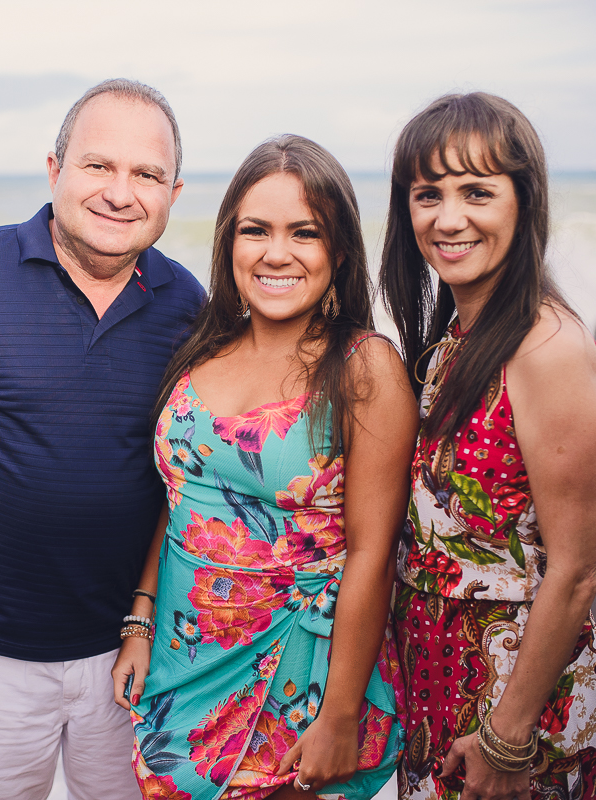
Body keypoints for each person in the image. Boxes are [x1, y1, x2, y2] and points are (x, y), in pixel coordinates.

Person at [0, 79, 204, 800]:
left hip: (132, 654)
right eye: (98, 166)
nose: (121, 192)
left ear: (173, 193)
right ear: (55, 171)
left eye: (146, 174)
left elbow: (192, 471)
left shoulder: (188, 303)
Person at [112, 134, 418, 800]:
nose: (276, 253)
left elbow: (373, 554)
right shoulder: (201, 352)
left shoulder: (366, 367)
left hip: (298, 676)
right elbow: (179, 499)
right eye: (256, 230)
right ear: (229, 244)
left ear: (338, 252)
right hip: (180, 660)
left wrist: (339, 714)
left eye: (303, 233)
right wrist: (138, 619)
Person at [379, 93, 596, 800]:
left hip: (515, 704)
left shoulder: (545, 345)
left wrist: (506, 738)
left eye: (477, 191)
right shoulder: (452, 338)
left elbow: (576, 571)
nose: (448, 218)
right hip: (438, 683)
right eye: (429, 194)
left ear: (524, 200)